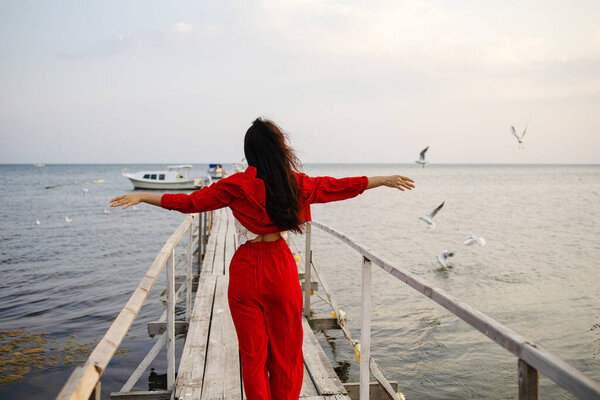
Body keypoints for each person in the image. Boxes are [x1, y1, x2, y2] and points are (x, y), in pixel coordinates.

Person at [110, 118, 415, 400]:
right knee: (287, 352)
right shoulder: (297, 183)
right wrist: (383, 179)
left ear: (249, 153)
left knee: (253, 355)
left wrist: (143, 196)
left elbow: (190, 203)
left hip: (245, 269)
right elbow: (339, 186)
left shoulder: (235, 185)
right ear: (280, 149)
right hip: (280, 266)